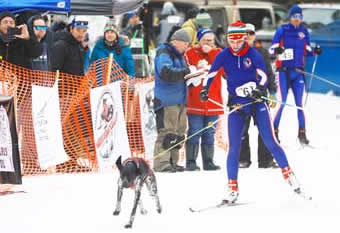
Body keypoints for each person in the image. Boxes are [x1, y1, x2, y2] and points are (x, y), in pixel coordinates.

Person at [200, 20, 306, 203]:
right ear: (227, 39)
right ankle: (232, 188)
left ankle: (289, 175)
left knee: (270, 141)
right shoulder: (223, 55)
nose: (235, 44)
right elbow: (212, 72)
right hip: (237, 106)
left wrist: (260, 88)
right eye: (231, 40)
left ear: (244, 38)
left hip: (257, 103)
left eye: (238, 40)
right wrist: (205, 89)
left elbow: (264, 75)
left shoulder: (253, 54)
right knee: (234, 148)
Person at [269, 5, 322, 145]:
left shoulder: (304, 31)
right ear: (290, 17)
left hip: (298, 72)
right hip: (283, 72)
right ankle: (274, 131)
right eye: (294, 16)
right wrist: (277, 50)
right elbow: (272, 49)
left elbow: (308, 49)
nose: (297, 19)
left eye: (299, 17)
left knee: (300, 105)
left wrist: (315, 50)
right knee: (282, 102)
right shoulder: (282, 29)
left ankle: (302, 133)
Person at [239, 23, 278, 169]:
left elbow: (269, 73)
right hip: (243, 97)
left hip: (260, 96)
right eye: (245, 33)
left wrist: (272, 92)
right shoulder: (236, 53)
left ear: (254, 35)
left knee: (265, 129)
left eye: (251, 33)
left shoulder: (262, 51)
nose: (248, 36)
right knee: (242, 129)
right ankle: (243, 159)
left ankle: (265, 160)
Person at [184, 28, 223, 171]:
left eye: (211, 40)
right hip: (196, 100)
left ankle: (208, 161)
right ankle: (191, 161)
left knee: (210, 131)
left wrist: (211, 52)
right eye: (205, 40)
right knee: (195, 130)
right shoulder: (190, 53)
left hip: (213, 101)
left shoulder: (218, 53)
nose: (208, 43)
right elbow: (189, 69)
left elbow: (223, 70)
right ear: (199, 40)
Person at [153, 29, 191, 173]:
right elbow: (165, 72)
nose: (187, 47)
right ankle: (161, 163)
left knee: (179, 133)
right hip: (166, 100)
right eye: (185, 44)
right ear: (177, 42)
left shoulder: (180, 56)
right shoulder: (164, 53)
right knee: (167, 132)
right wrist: (185, 72)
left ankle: (172, 161)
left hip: (180, 99)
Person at [90, 20, 135, 84]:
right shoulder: (98, 47)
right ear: (104, 34)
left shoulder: (124, 48)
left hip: (119, 85)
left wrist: (129, 83)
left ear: (116, 34)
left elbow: (130, 69)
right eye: (107, 32)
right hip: (100, 85)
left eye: (112, 32)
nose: (109, 35)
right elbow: (92, 67)